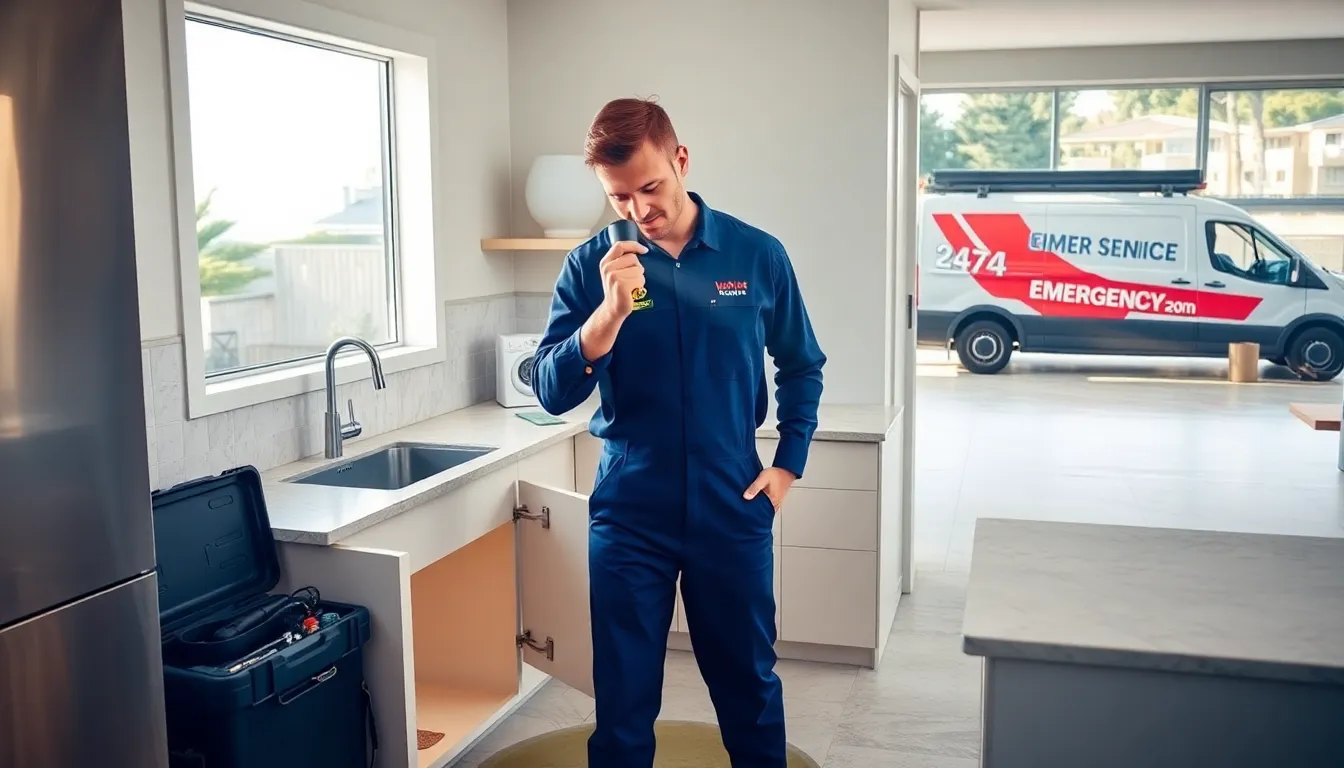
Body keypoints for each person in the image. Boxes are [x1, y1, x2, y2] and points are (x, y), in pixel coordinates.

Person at [532, 96, 826, 768]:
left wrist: (789, 465)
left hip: (733, 500)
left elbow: (802, 364)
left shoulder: (756, 255)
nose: (639, 209)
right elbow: (551, 391)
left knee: (748, 688)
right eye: (619, 197)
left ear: (680, 159)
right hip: (631, 507)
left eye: (651, 187)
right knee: (623, 703)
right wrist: (607, 314)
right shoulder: (589, 267)